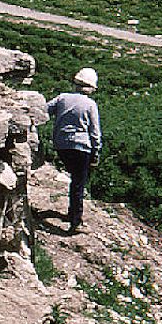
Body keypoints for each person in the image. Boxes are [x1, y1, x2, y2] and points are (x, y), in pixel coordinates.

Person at [45, 67, 101, 234]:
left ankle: (72, 213)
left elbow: (44, 110)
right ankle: (75, 221)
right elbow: (95, 132)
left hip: (61, 145)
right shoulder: (90, 104)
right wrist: (96, 153)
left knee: (74, 178)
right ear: (91, 88)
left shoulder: (62, 98)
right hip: (82, 148)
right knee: (78, 182)